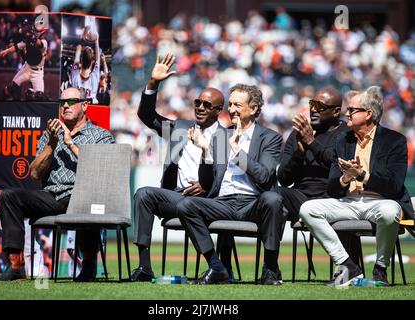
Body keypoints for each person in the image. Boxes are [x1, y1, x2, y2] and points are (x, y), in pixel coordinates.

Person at [0, 87, 115, 281]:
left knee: (88, 200)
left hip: (80, 195)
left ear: (85, 105)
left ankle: (89, 266)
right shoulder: (50, 134)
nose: (65, 105)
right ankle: (16, 266)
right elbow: (34, 174)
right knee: (9, 196)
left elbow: (100, 171)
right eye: (62, 102)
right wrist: (52, 143)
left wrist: (70, 143)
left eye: (71, 102)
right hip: (51, 196)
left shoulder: (101, 136)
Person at [299, 86, 415, 286]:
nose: (346, 113)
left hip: (380, 201)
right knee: (308, 209)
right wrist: (345, 178)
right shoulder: (342, 140)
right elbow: (333, 189)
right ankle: (347, 266)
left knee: (389, 211)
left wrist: (361, 174)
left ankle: (380, 269)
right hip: (348, 202)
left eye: (352, 110)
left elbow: (394, 185)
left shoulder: (394, 141)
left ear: (368, 114)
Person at [131, 53, 226, 282]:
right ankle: (145, 267)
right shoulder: (180, 128)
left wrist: (205, 186)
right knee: (143, 194)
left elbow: (222, 176)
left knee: (188, 203)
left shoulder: (224, 137)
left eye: (207, 104)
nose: (200, 107)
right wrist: (154, 83)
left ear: (218, 110)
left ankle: (216, 266)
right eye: (198, 103)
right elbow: (147, 116)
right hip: (175, 196)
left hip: (207, 201)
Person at [176, 84, 284, 285]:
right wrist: (205, 152)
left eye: (238, 105)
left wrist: (236, 150)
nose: (231, 109)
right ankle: (216, 267)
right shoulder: (221, 136)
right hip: (223, 203)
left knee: (273, 199)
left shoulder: (270, 138)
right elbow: (208, 183)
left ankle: (270, 268)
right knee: (185, 205)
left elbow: (264, 176)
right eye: (231, 104)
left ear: (253, 109)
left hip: (253, 203)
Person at [278, 87, 362, 268]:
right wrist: (299, 154)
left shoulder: (346, 134)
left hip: (333, 198)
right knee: (273, 194)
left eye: (320, 106)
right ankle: (271, 268)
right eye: (311, 104)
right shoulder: (298, 133)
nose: (313, 109)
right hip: (301, 198)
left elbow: (336, 164)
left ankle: (349, 268)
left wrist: (311, 143)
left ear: (336, 111)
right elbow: (284, 178)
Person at [0, 19, 48, 101]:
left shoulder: (44, 42)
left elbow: (40, 45)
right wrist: (6, 51)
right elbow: (17, 47)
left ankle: (30, 94)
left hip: (37, 73)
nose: (35, 31)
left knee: (39, 97)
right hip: (27, 68)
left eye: (37, 30)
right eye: (35, 29)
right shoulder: (29, 39)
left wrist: (34, 37)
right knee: (12, 87)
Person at [70, 25, 100, 104]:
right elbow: (97, 60)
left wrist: (82, 37)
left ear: (81, 60)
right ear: (91, 63)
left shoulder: (75, 75)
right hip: (92, 109)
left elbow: (77, 53)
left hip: (77, 108)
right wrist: (96, 41)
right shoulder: (94, 77)